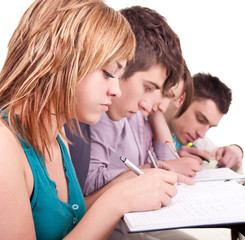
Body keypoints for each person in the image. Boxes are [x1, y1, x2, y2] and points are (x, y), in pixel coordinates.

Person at [0, 1, 184, 239]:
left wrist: (122, 184)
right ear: (61, 57)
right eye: (108, 73)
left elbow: (65, 221)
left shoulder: (59, 138)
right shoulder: (5, 149)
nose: (116, 90)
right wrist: (119, 200)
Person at [153, 72, 243, 174]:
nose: (202, 134)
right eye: (200, 120)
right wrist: (174, 162)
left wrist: (236, 150)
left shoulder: (192, 138)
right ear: (181, 99)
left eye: (210, 127)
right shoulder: (142, 119)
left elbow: (221, 156)